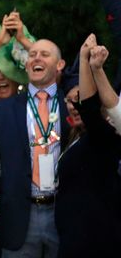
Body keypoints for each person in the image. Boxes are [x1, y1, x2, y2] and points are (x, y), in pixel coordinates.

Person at [0, 39, 70, 257]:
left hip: (63, 214)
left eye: (45, 54)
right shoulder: (3, 110)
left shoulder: (71, 106)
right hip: (18, 217)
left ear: (60, 64)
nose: (36, 58)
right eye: (32, 54)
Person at [56, 34, 121, 256]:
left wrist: (86, 62)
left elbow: (90, 110)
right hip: (72, 240)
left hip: (97, 243)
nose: (75, 106)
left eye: (79, 100)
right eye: (70, 101)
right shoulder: (73, 139)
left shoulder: (105, 135)